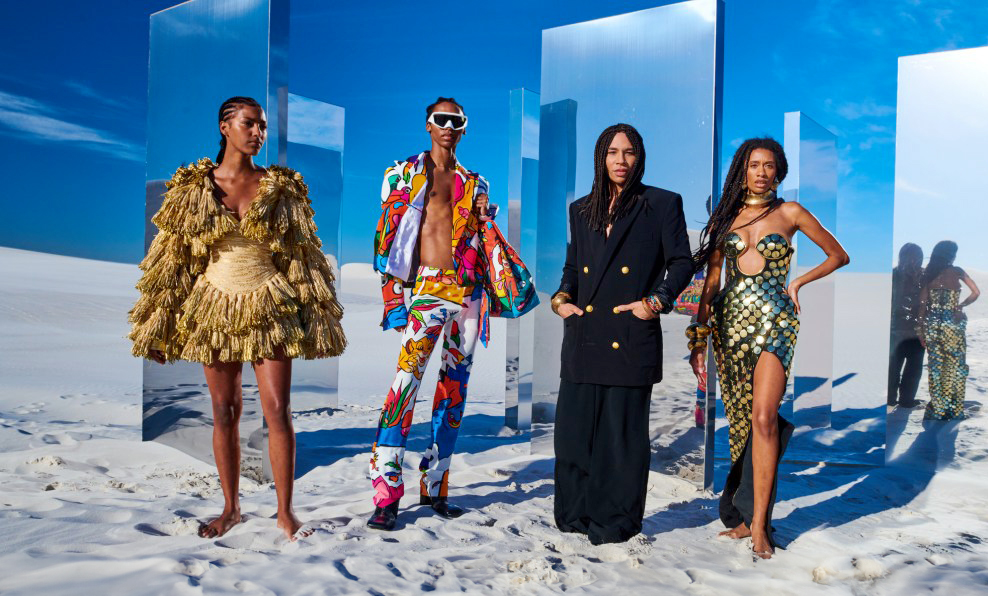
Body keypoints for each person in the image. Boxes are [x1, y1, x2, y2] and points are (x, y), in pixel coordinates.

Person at [128, 96, 347, 541]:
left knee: (278, 409)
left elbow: (301, 255)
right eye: (250, 124)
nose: (258, 133)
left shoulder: (281, 186)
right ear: (225, 126)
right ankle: (230, 509)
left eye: (262, 126)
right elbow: (173, 260)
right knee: (224, 411)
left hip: (271, 304)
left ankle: (285, 513)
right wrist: (159, 324)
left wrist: (316, 316)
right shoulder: (193, 188)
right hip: (214, 307)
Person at [368, 97, 537, 530]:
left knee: (453, 391)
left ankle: (436, 487)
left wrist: (485, 217)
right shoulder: (401, 173)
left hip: (469, 296)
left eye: (455, 120)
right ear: (428, 125)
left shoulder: (476, 182)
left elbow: (481, 237)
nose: (447, 125)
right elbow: (386, 238)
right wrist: (393, 300)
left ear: (464, 128)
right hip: (427, 289)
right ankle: (386, 495)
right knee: (404, 387)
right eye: (440, 119)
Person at [689, 137, 848, 558]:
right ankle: (744, 517)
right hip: (730, 326)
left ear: (779, 171)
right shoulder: (725, 218)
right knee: (742, 424)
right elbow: (712, 283)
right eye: (754, 164)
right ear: (742, 170)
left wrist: (797, 283)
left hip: (776, 322)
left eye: (769, 165)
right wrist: (699, 337)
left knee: (763, 418)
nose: (762, 172)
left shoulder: (791, 212)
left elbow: (838, 255)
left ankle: (760, 524)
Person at [551, 123, 694, 545]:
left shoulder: (661, 203)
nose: (621, 160)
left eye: (629, 152)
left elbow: (682, 262)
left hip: (630, 333)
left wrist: (656, 302)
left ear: (639, 157)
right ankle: (575, 517)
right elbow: (573, 267)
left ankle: (615, 523)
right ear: (601, 157)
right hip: (584, 333)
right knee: (573, 437)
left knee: (620, 440)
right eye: (612, 152)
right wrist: (561, 299)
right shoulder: (581, 209)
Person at [917, 241, 980, 420]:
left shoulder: (928, 273)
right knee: (956, 365)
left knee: (936, 366)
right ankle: (955, 409)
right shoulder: (958, 271)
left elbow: (922, 305)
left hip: (933, 324)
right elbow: (976, 292)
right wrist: (961, 305)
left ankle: (938, 409)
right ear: (952, 255)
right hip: (953, 323)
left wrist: (920, 331)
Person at [888, 243, 925, 408]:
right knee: (893, 367)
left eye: (918, 257)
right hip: (896, 330)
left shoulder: (923, 276)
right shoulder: (894, 275)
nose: (914, 261)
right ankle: (891, 399)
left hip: (916, 331)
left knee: (913, 368)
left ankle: (906, 400)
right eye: (911, 256)